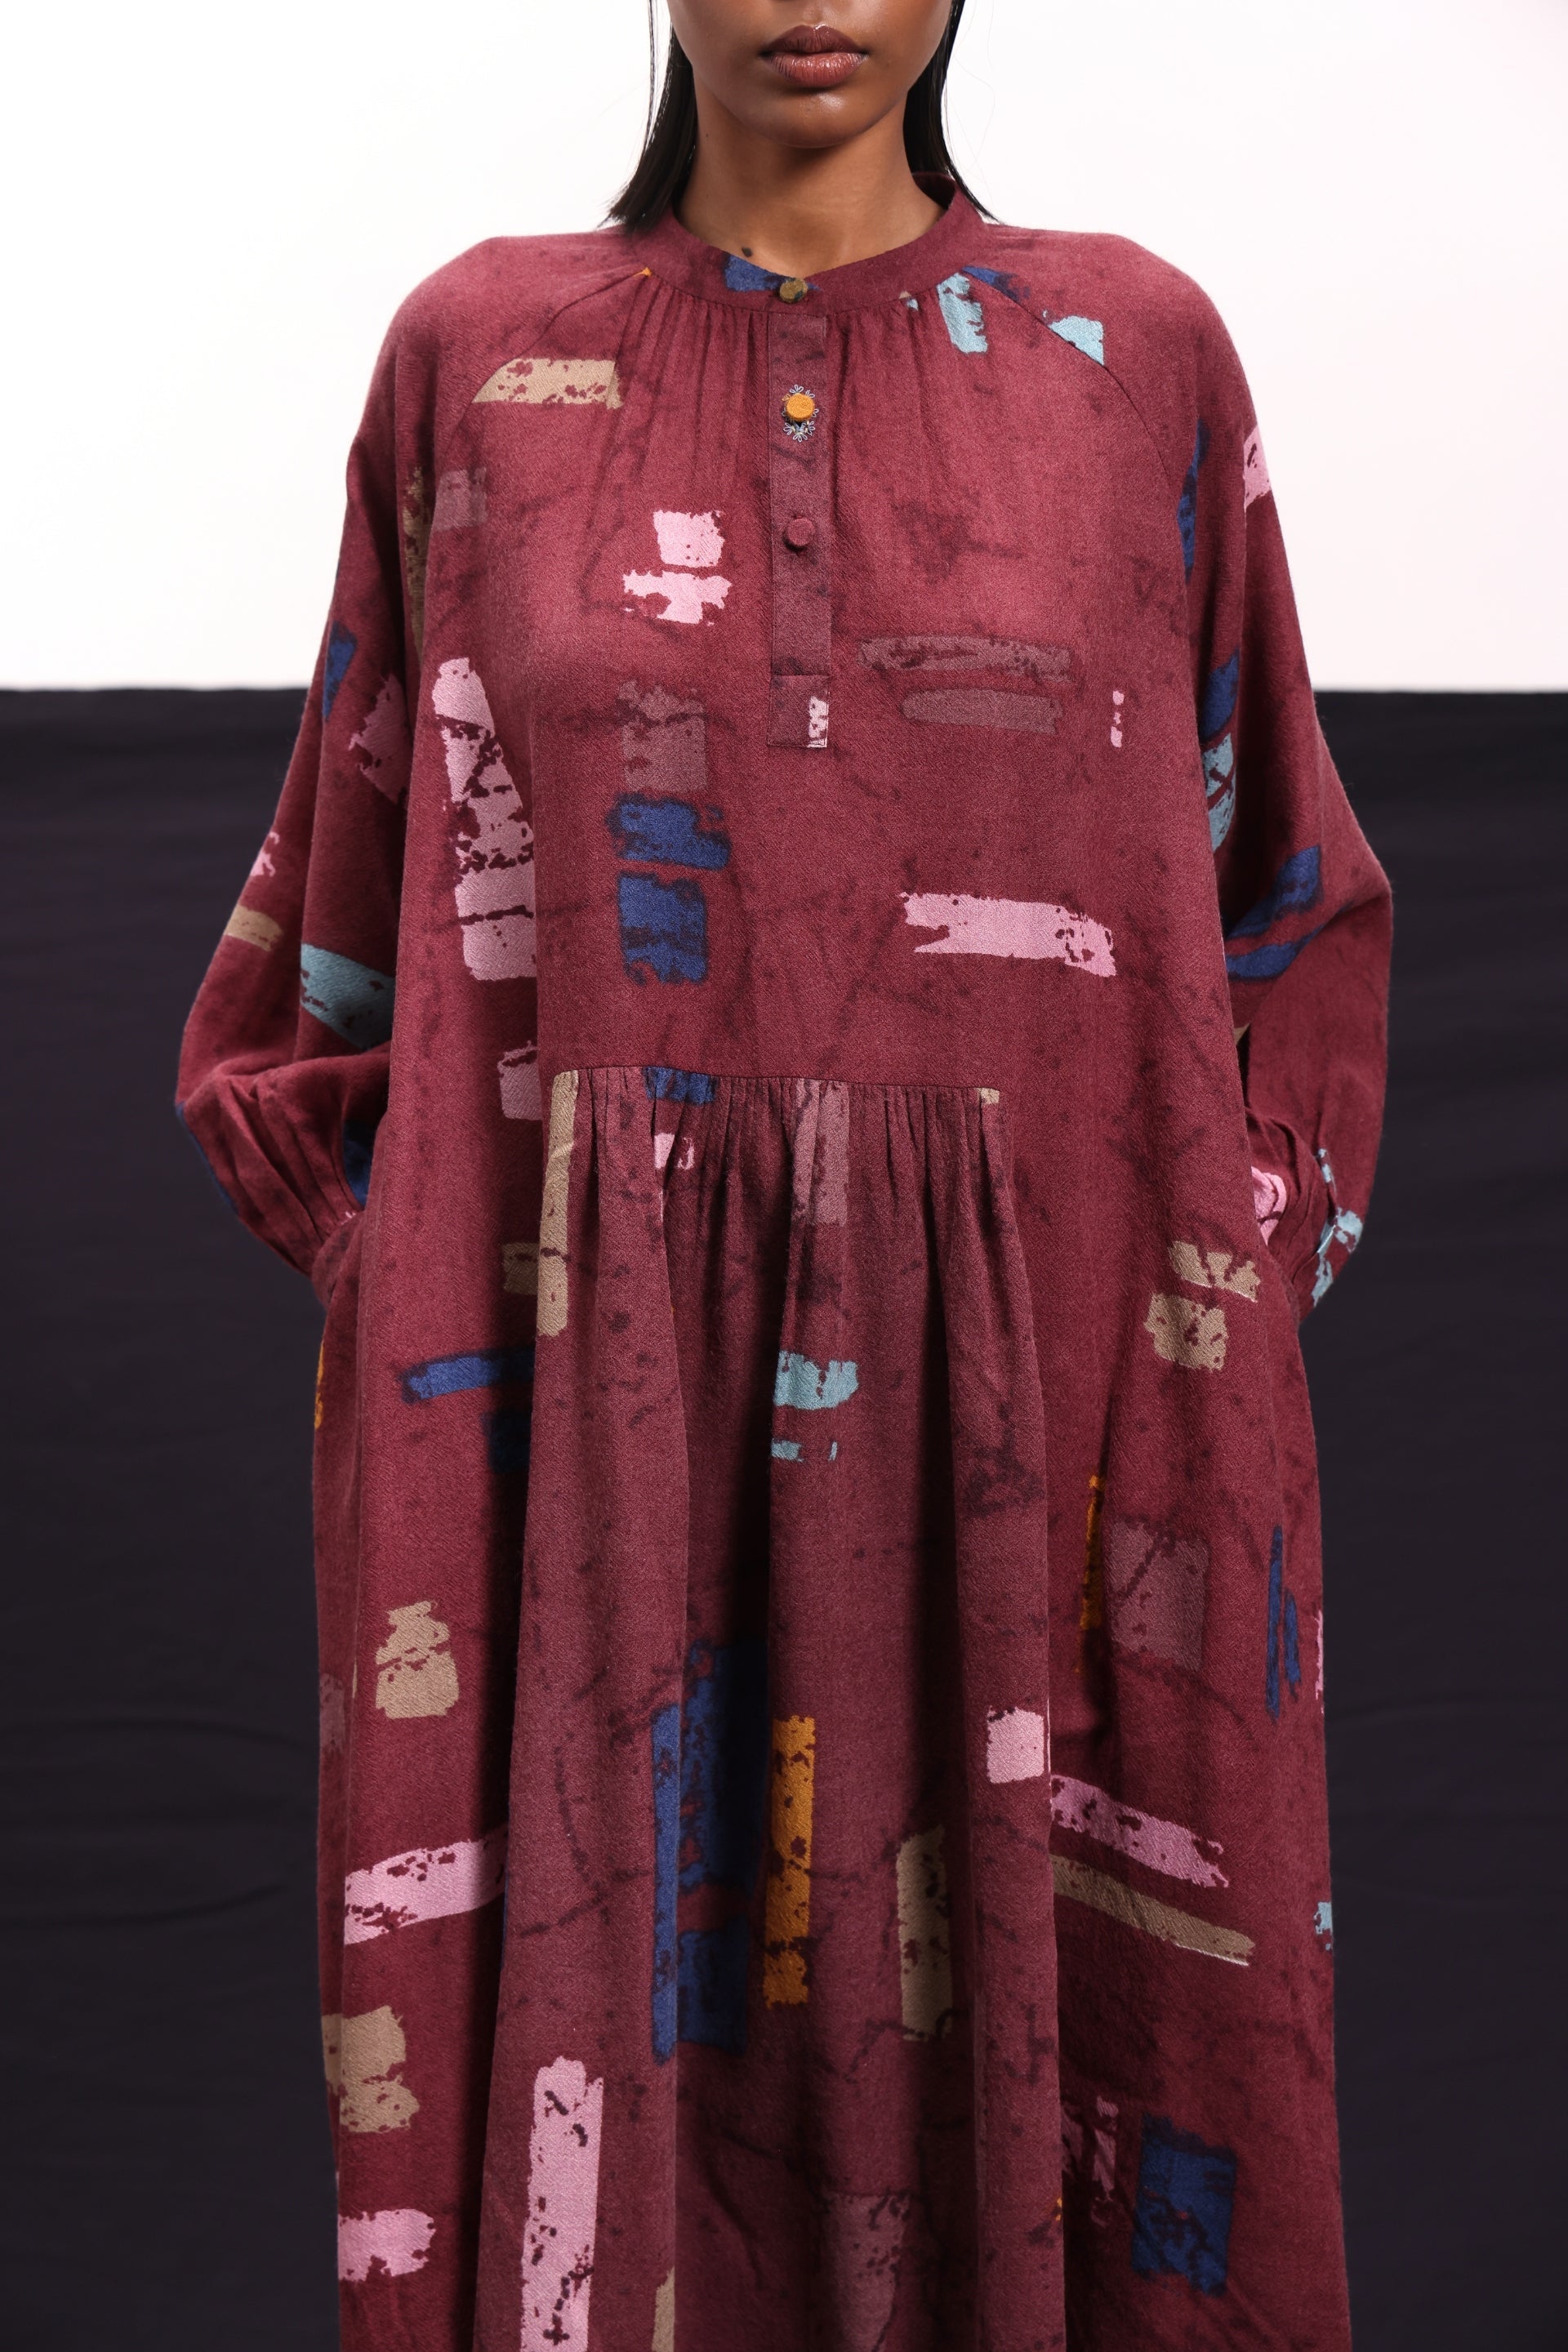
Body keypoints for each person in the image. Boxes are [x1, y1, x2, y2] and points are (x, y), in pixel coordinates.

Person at [178, 3, 1391, 2345]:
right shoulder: (475, 359)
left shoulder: (1136, 355)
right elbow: (324, 954)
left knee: (1092, 2111)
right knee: (593, 2153)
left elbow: (1297, 914)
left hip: (1055, 1450)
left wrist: (1191, 1308)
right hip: (581, 1454)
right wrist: (435, 1295)